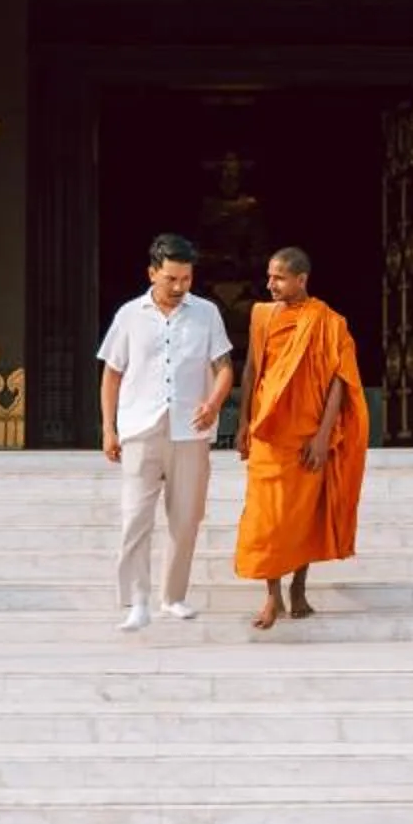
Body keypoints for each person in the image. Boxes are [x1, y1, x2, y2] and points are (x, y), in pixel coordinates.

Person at [98, 234, 234, 634]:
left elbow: (224, 366)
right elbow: (112, 373)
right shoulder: (129, 315)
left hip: (189, 432)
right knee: (135, 518)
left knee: (186, 518)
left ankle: (172, 596)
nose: (178, 287)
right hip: (140, 428)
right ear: (152, 273)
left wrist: (213, 403)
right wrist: (109, 428)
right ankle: (136, 601)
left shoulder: (206, 313)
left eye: (186, 279)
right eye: (171, 278)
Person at [233, 246, 368, 633]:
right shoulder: (261, 316)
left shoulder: (329, 322)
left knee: (303, 515)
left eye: (278, 277)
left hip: (308, 434)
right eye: (269, 276)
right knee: (268, 516)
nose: (270, 284)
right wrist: (244, 420)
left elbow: (338, 383)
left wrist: (323, 436)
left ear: (301, 279)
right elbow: (253, 370)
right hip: (269, 433)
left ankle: (299, 588)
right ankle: (271, 595)